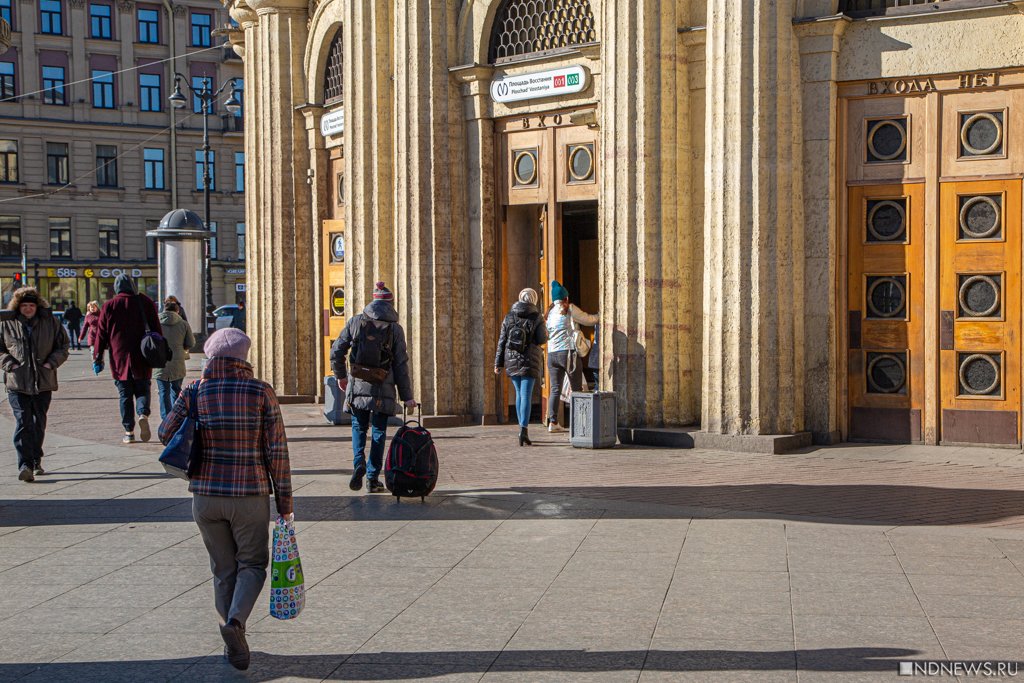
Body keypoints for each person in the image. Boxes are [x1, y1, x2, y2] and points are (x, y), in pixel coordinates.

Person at [158, 328, 292, 672]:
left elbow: (164, 433)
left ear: (210, 356)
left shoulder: (195, 389)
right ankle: (235, 623)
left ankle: (230, 642)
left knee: (223, 570)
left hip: (205, 496)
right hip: (249, 493)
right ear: (244, 357)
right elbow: (277, 450)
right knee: (252, 565)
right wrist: (285, 501)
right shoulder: (260, 391)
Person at [330, 281, 416, 493]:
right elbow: (400, 364)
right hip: (382, 387)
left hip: (358, 383)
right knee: (378, 431)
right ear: (391, 303)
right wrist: (407, 397)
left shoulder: (356, 322)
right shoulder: (395, 329)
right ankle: (372, 478)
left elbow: (336, 350)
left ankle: (358, 461)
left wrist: (341, 376)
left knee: (359, 426)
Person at [0, 288, 70, 482]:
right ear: (18, 306)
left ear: (37, 306)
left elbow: (63, 346)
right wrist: (9, 364)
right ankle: (25, 465)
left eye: (31, 305)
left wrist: (51, 363)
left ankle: (36, 460)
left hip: (43, 381)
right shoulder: (7, 324)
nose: (28, 309)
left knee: (38, 423)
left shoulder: (51, 322)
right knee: (23, 421)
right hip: (17, 382)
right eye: (24, 305)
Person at [93, 274, 162, 444]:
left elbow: (101, 335)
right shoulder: (145, 302)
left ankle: (128, 431)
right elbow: (157, 329)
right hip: (143, 355)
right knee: (143, 388)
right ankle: (143, 413)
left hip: (119, 357)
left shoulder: (109, 305)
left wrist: (97, 357)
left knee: (124, 394)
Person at [494, 287, 548, 446]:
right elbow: (541, 339)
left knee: (519, 393)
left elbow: (502, 341)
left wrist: (498, 363)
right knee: (526, 395)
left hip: (511, 359)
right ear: (534, 300)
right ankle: (523, 430)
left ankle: (520, 429)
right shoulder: (537, 317)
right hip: (529, 360)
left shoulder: (509, 316)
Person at [545, 280, 598, 432]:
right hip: (567, 353)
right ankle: (579, 423)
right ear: (566, 298)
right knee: (576, 389)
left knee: (555, 389)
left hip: (552, 354)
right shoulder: (569, 309)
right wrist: (602, 315)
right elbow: (588, 320)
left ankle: (553, 422)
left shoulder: (549, 313)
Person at [154, 299, 195, 420]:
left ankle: (165, 419)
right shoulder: (183, 324)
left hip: (160, 361)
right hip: (177, 361)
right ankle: (176, 417)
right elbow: (191, 342)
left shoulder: (156, 322)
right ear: (177, 311)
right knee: (176, 390)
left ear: (164, 309)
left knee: (163, 392)